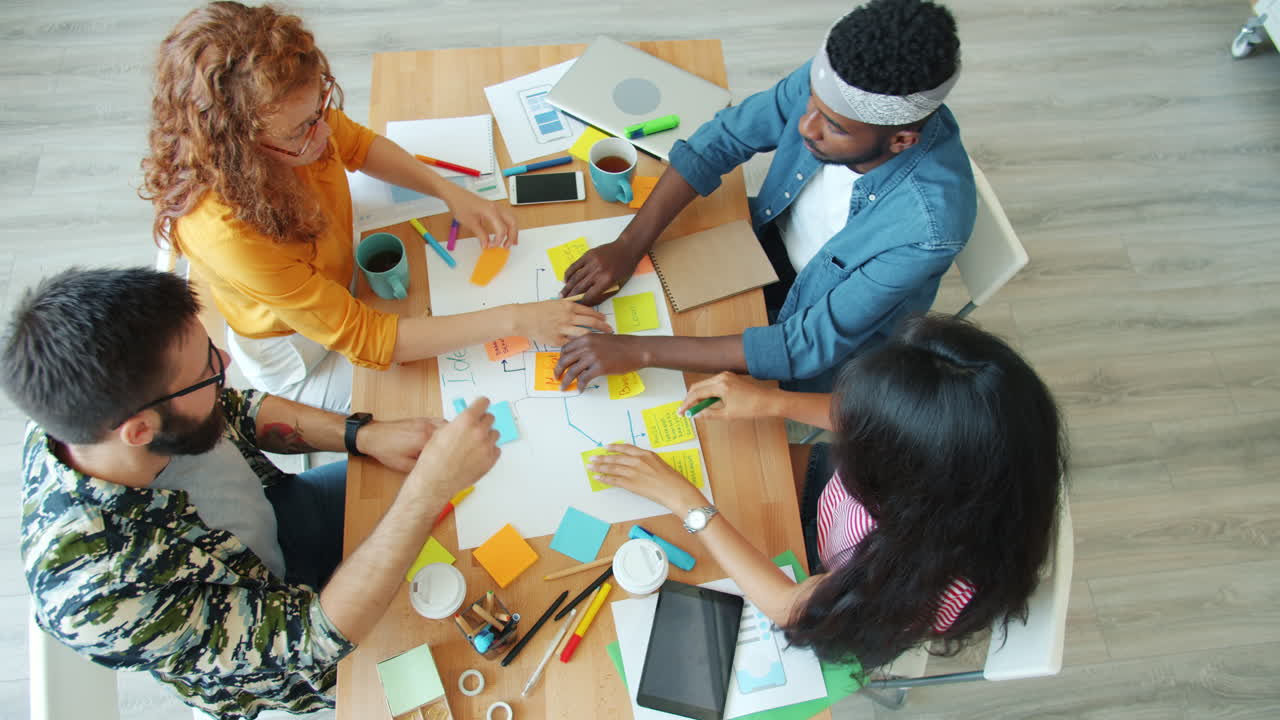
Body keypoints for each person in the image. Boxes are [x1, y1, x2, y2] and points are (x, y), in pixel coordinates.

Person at [5, 267, 502, 719]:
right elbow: (313, 640)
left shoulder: (96, 415)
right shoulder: (98, 593)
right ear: (139, 431)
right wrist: (425, 491)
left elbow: (237, 410)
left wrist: (362, 435)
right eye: (207, 370)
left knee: (473, 517)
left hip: (285, 516)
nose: (225, 362)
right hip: (303, 647)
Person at [141, 2, 610, 413]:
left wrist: (449, 191)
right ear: (238, 149)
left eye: (321, 109)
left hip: (338, 285)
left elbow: (358, 145)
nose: (325, 134)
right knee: (430, 404)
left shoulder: (293, 119)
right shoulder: (227, 231)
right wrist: (519, 319)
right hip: (297, 352)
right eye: (302, 130)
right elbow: (369, 340)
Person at [588, 315, 1067, 672]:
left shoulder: (929, 578)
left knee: (721, 513)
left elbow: (789, 608)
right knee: (740, 468)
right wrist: (772, 401)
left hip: (850, 590)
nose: (849, 431)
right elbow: (882, 419)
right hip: (837, 516)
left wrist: (685, 501)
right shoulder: (989, 446)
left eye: (861, 436)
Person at [556, 0, 975, 393]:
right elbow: (721, 140)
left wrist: (641, 351)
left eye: (834, 128)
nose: (806, 127)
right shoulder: (836, 86)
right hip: (763, 248)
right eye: (811, 103)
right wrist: (630, 244)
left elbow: (806, 344)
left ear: (902, 140)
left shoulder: (928, 227)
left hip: (815, 336)